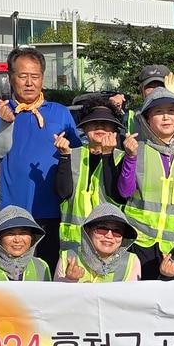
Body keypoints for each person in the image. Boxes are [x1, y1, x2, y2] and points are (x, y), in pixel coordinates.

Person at [0, 46, 80, 266]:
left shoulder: (60, 112)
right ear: (10, 78)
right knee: (13, 275)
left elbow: (77, 155)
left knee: (48, 272)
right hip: (12, 213)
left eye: (35, 76)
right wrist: (6, 123)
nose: (29, 83)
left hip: (52, 212)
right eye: (23, 76)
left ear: (42, 78)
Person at [118, 88, 174, 280]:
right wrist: (130, 157)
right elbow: (124, 191)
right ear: (146, 119)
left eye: (171, 111)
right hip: (139, 241)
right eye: (158, 112)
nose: (166, 117)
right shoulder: (137, 149)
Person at [55, 98, 122, 255]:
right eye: (94, 122)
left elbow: (116, 195)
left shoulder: (122, 158)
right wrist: (64, 157)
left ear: (115, 129)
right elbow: (63, 193)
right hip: (73, 245)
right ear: (84, 128)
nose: (100, 126)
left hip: (108, 243)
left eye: (106, 122)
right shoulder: (71, 154)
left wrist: (107, 155)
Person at [57, 203, 141, 282]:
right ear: (87, 231)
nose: (109, 236)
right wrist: (69, 280)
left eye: (117, 231)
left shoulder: (131, 261)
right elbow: (54, 295)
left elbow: (132, 296)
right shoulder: (67, 257)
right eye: (102, 228)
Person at [0, 205, 52, 281]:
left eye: (23, 233)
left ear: (32, 237)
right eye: (10, 234)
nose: (17, 240)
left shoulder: (41, 266)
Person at [124, 64, 170, 134]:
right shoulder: (130, 118)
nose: (156, 91)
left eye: (161, 86)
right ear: (141, 90)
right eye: (150, 87)